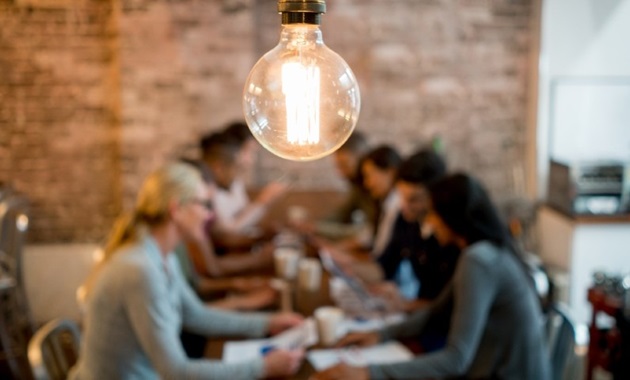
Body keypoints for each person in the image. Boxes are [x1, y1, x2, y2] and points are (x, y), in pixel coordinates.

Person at [70, 163, 304, 380]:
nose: (210, 214)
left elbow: (196, 315)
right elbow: (176, 371)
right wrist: (262, 367)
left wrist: (268, 323)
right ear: (176, 208)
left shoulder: (162, 255)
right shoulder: (140, 270)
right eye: (204, 204)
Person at [313, 173, 551, 380]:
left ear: (451, 217)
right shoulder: (485, 251)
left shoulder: (478, 260)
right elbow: (436, 312)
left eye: (433, 215)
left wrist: (369, 373)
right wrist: (381, 335)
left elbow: (456, 359)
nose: (429, 223)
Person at [376, 149, 460, 308]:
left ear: (436, 195)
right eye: (401, 196)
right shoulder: (406, 220)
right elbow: (385, 265)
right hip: (420, 315)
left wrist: (406, 304)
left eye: (414, 199)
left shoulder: (452, 236)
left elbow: (454, 307)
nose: (404, 206)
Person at [200, 131, 287, 253]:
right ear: (218, 167)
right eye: (248, 152)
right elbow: (225, 234)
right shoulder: (205, 191)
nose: (249, 160)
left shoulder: (235, 183)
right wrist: (263, 201)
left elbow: (245, 219)